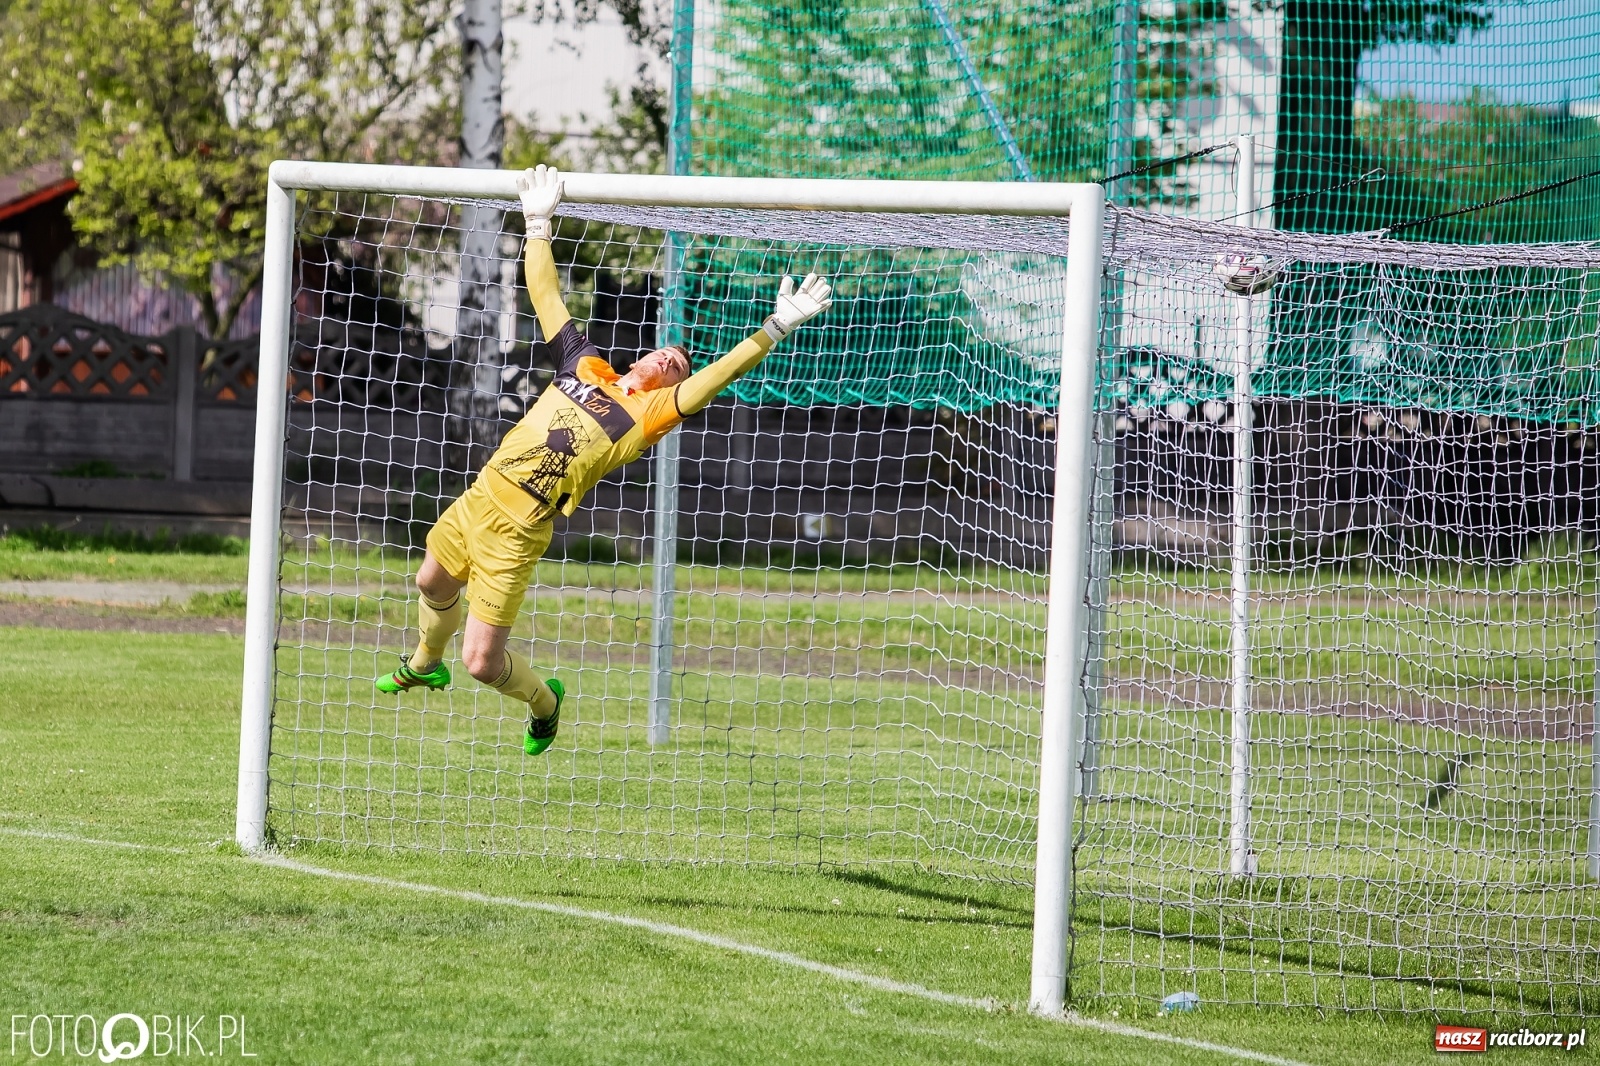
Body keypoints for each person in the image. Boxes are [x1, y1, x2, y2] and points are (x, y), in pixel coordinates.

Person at [378, 165, 834, 756]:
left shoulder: (647, 417)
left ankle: (545, 703)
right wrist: (538, 223)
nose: (674, 357)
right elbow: (544, 294)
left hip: (518, 531)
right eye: (667, 351)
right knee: (429, 579)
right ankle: (421, 663)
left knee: (482, 664)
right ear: (641, 355)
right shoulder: (588, 368)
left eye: (680, 364)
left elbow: (715, 378)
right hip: (480, 495)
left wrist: (772, 329)